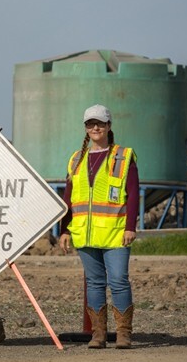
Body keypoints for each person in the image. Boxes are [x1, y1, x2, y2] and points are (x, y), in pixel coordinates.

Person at [58, 104, 139, 349]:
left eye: (100, 124)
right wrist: (64, 230)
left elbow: (133, 194)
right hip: (84, 233)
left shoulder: (123, 157)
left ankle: (123, 334)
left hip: (115, 233)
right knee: (94, 283)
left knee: (119, 281)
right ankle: (98, 335)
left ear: (108, 126)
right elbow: (68, 197)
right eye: (91, 124)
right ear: (86, 129)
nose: (95, 128)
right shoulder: (76, 159)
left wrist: (130, 226)